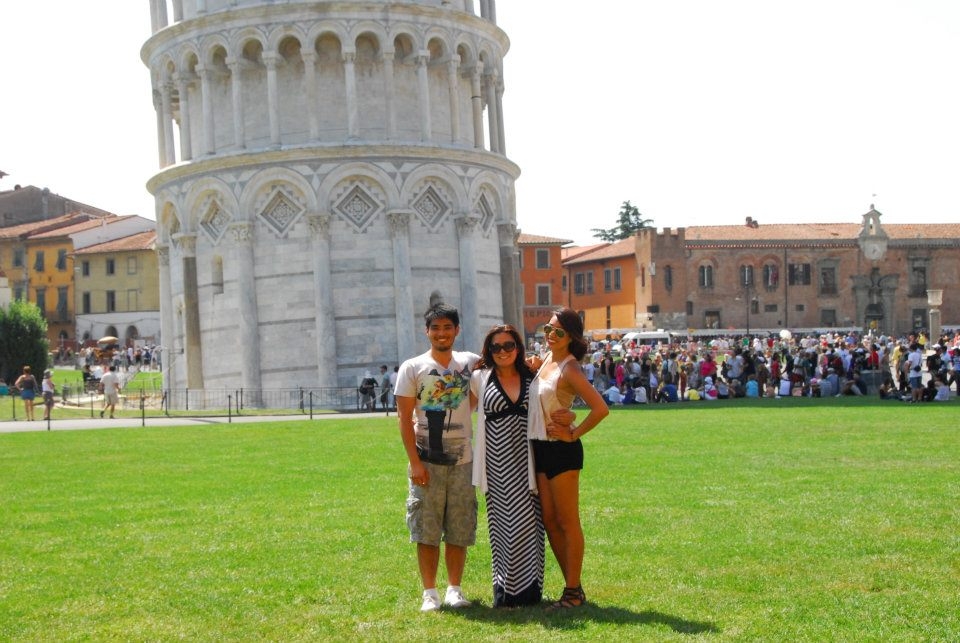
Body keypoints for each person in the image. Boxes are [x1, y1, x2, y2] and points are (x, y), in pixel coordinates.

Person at [470, 324, 573, 608]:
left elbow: (556, 399)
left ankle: (529, 591)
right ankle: (504, 592)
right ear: (489, 351)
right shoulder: (480, 378)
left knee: (530, 524)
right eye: (496, 347)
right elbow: (458, 409)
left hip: (529, 459)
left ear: (518, 348)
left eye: (508, 346)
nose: (503, 351)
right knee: (503, 526)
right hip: (496, 463)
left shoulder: (533, 375)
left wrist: (570, 414)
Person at [395, 303, 479, 612]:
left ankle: (454, 589)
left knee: (460, 524)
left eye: (447, 327)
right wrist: (415, 462)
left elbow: (504, 362)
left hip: (463, 460)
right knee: (426, 527)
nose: (441, 333)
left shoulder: (470, 363)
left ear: (457, 330)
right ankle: (429, 593)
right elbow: (404, 418)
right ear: (427, 331)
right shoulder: (413, 367)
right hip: (426, 460)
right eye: (435, 328)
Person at [528, 307, 609, 609]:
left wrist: (574, 433)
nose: (550, 336)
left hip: (562, 450)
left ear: (571, 337)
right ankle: (572, 588)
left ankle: (573, 591)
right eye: (547, 329)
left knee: (567, 521)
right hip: (540, 446)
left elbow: (600, 408)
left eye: (558, 332)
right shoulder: (548, 358)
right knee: (550, 520)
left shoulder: (570, 368)